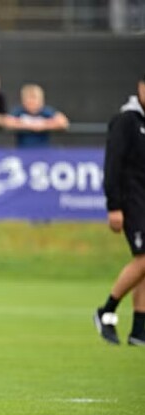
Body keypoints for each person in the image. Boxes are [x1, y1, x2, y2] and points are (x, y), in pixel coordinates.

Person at [93, 74, 145, 347]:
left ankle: (139, 330)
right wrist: (114, 205)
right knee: (144, 259)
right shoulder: (126, 121)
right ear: (140, 87)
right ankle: (107, 310)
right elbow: (112, 165)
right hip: (132, 201)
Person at [5, 84, 69, 148]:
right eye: (28, 99)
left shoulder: (46, 111)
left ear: (41, 100)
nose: (31, 102)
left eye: (34, 98)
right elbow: (8, 122)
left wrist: (43, 126)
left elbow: (63, 123)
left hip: (42, 150)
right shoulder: (19, 111)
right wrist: (29, 125)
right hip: (23, 150)